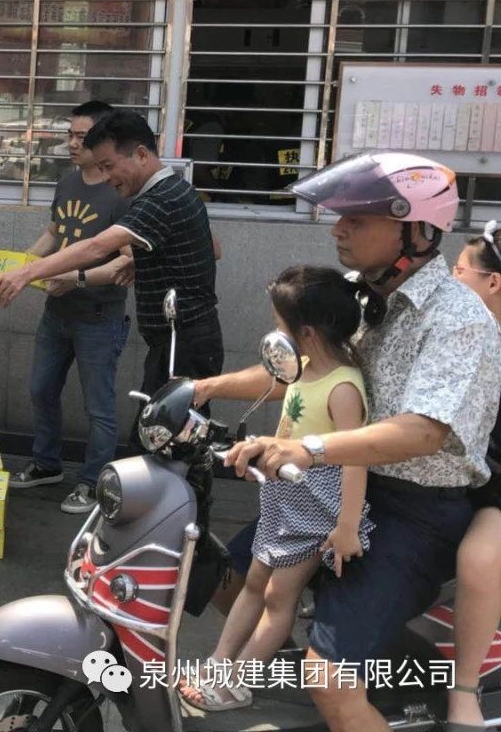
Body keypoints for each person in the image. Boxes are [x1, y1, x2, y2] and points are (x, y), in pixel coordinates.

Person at [215, 152, 501, 732]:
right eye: (340, 216)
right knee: (227, 577)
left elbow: (425, 430)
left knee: (329, 680)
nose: (339, 229)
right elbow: (299, 365)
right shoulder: (357, 296)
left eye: (360, 219)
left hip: (410, 510)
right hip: (333, 488)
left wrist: (310, 448)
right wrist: (200, 387)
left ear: (417, 231)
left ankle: (341, 689)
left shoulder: (457, 318)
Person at [185, 266, 371, 711]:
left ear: (305, 333)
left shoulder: (344, 387)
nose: (274, 331)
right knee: (254, 583)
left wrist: (346, 526)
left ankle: (237, 682)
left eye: (279, 323)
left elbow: (356, 457)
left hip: (317, 507)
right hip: (285, 499)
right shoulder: (303, 368)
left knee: (277, 596)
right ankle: (219, 665)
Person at [0, 110, 222, 442]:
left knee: (169, 440)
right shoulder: (171, 191)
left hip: (182, 341)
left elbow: (97, 247)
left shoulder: (161, 198)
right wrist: (141, 261)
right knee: (167, 437)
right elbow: (209, 248)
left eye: (109, 166)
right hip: (174, 339)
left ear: (141, 154)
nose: (107, 177)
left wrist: (25, 273)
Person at [7, 100, 134, 513]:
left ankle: (93, 481)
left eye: (82, 137)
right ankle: (47, 464)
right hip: (56, 313)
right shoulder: (66, 183)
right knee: (41, 389)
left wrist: (74, 279)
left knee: (99, 407)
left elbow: (127, 259)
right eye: (70, 135)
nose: (72, 144)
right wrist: (18, 267)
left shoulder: (120, 190)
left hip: (99, 317)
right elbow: (54, 233)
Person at [445, 221, 501, 729]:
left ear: (493, 282)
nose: (448, 279)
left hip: (495, 485)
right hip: (453, 470)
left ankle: (464, 689)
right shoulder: (455, 331)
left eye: (458, 271)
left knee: (480, 556)